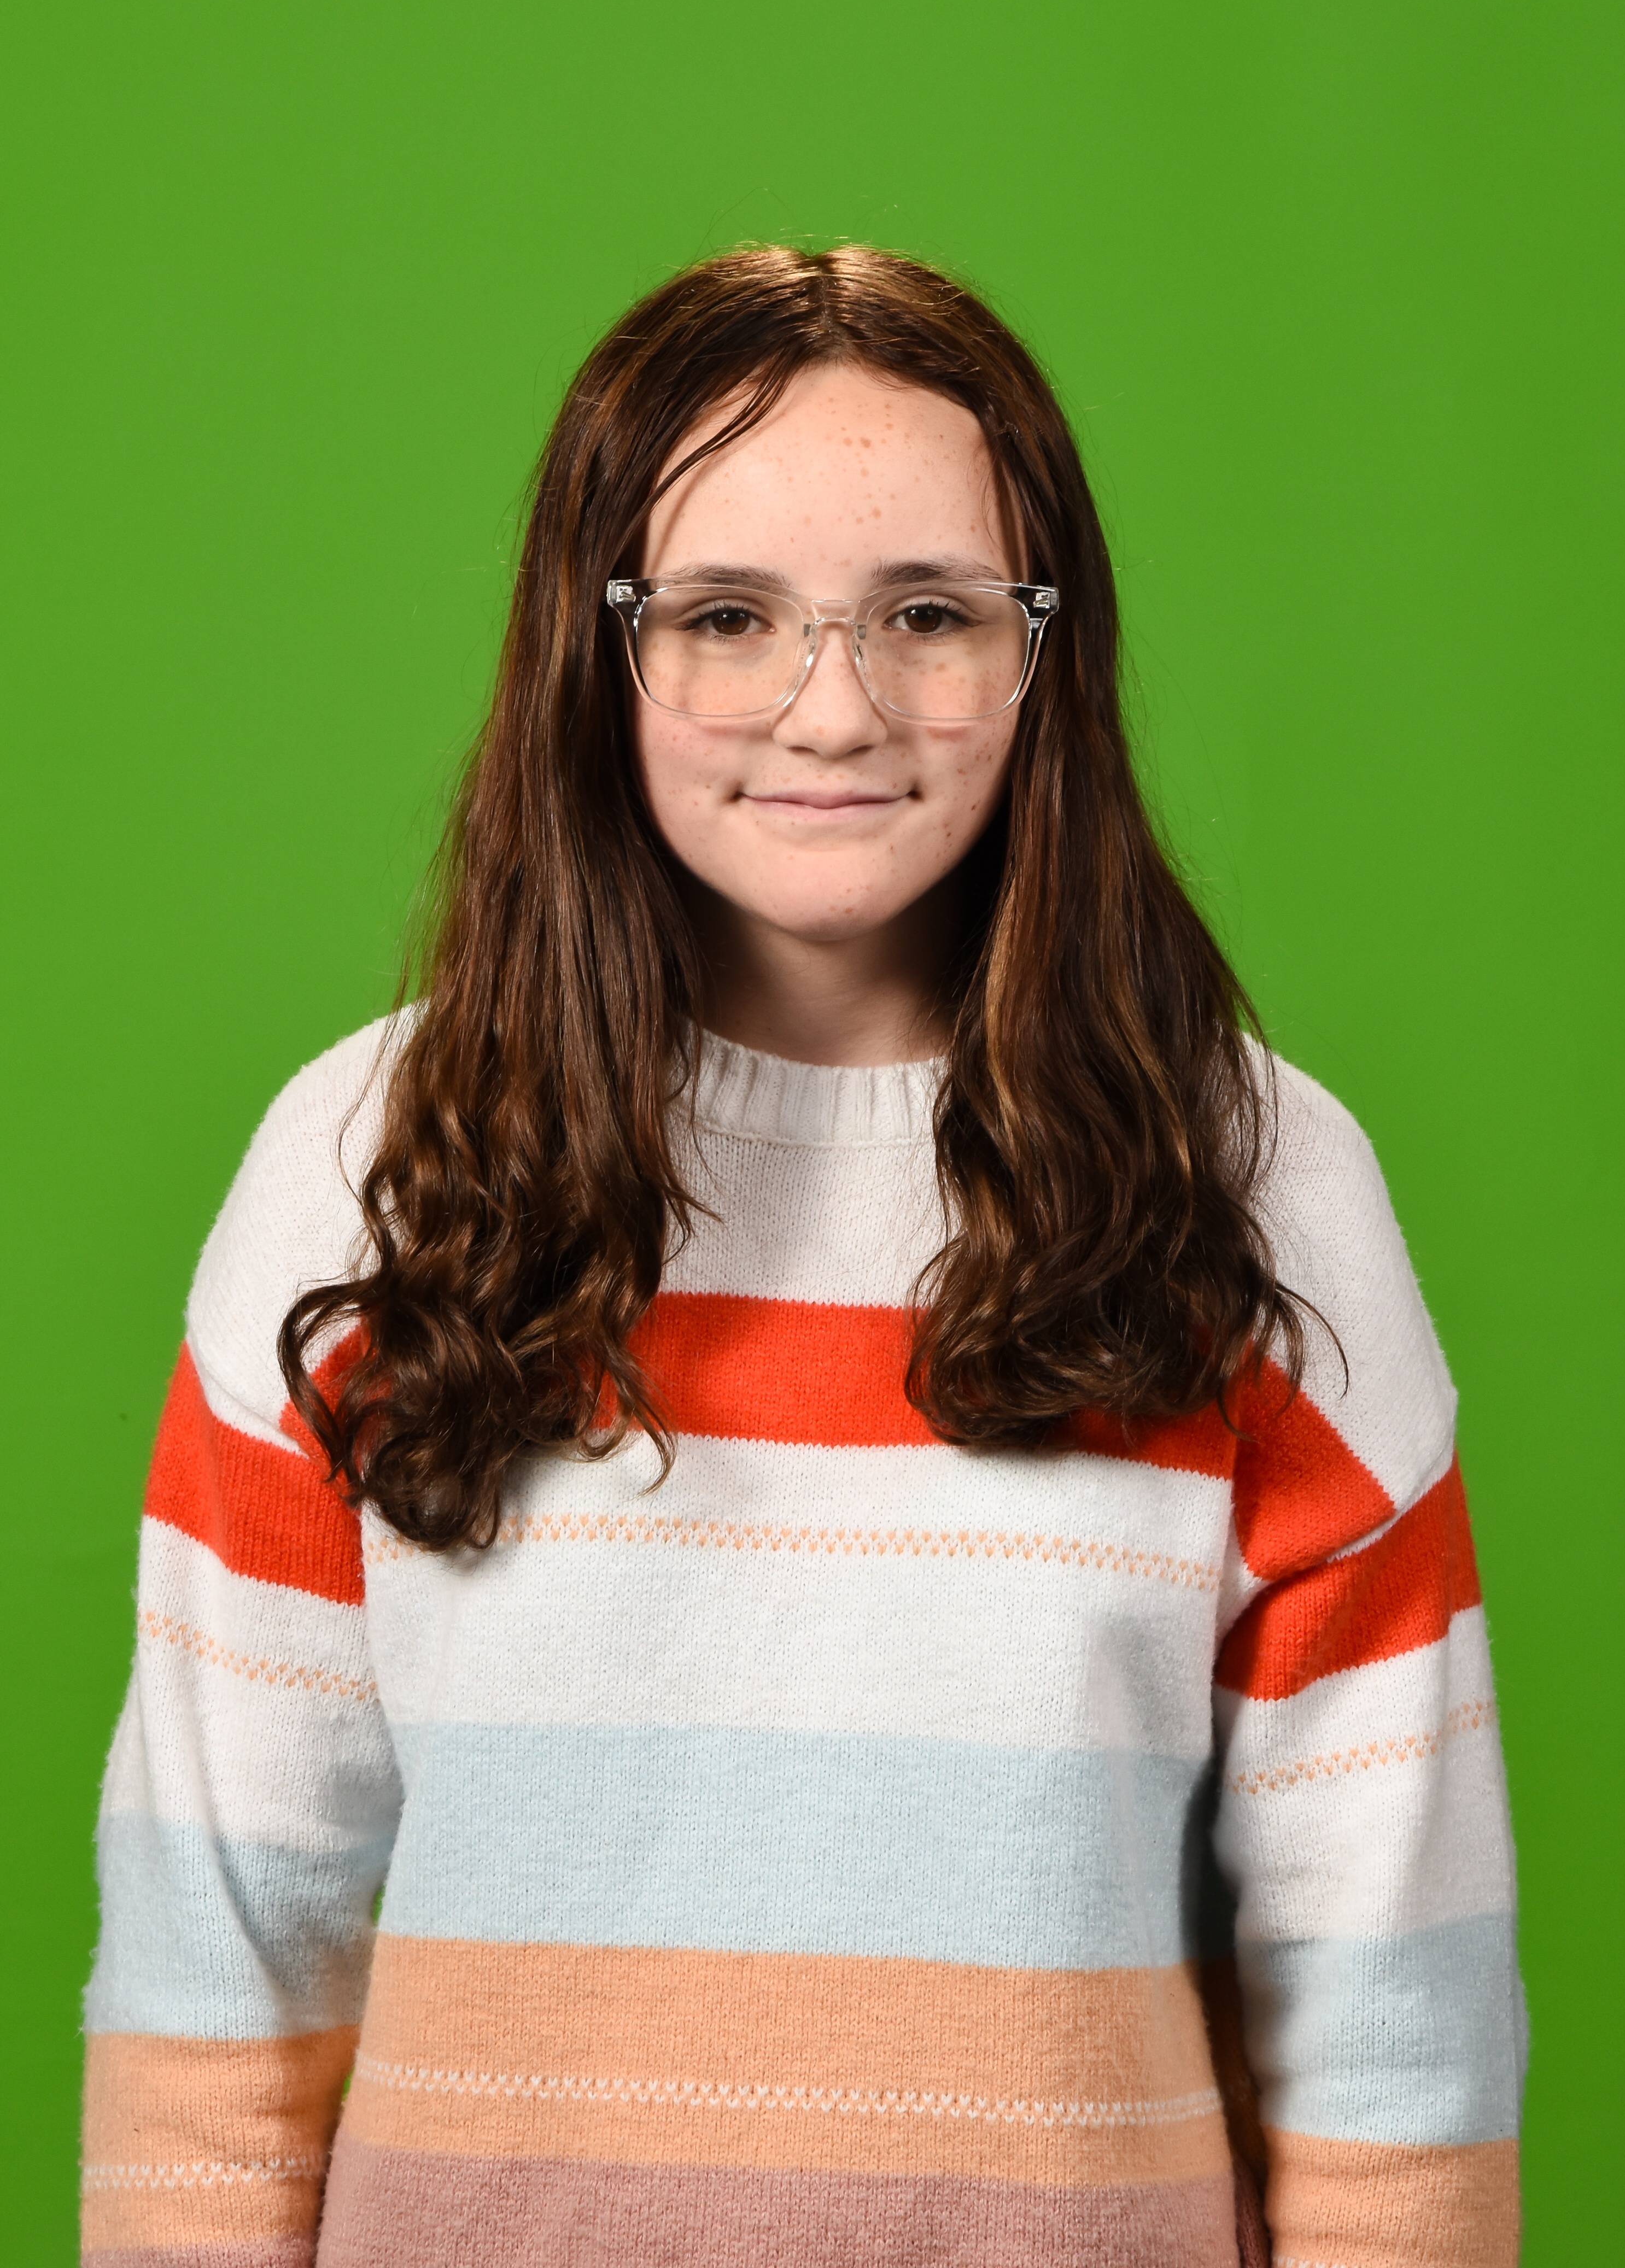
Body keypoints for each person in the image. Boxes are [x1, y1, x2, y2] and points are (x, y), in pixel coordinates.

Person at [81, 245, 1524, 2268]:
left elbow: (1394, 2025)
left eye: (929, 614)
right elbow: (214, 1974)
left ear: (1044, 650)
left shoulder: (1258, 1185)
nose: (832, 710)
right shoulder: (368, 1171)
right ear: (595, 650)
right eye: (725, 617)